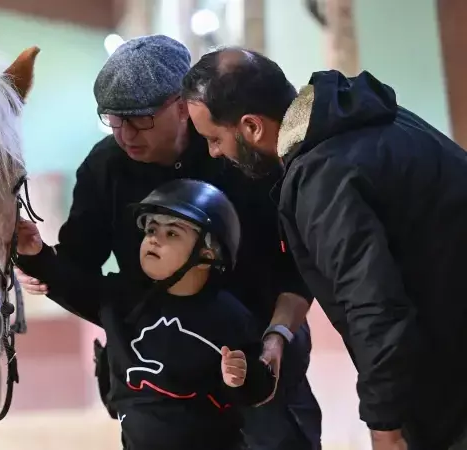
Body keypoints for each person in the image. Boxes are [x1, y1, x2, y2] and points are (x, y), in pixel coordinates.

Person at [15, 34, 322, 449]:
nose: (125, 134)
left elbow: (296, 266)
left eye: (140, 118)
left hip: (255, 352)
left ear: (181, 104)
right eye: (114, 118)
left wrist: (277, 338)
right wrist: (38, 260)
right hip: (161, 379)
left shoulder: (234, 150)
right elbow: (81, 273)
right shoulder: (105, 168)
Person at [181, 46, 467, 450]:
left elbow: (374, 305)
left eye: (215, 138)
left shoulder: (321, 178)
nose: (214, 152)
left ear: (252, 127)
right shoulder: (364, 119)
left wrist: (385, 426)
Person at [16, 179, 277, 450]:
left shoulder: (230, 316)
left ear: (207, 254)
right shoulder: (121, 300)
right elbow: (69, 285)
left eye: (172, 234)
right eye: (151, 229)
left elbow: (260, 387)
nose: (154, 238)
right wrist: (36, 253)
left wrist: (243, 377)